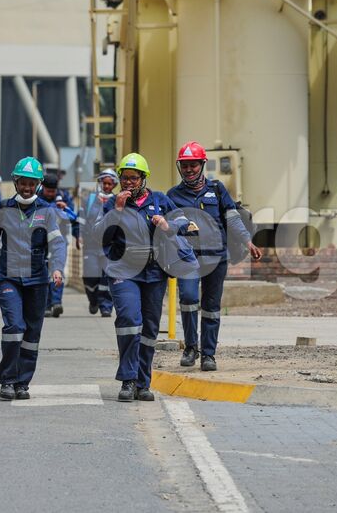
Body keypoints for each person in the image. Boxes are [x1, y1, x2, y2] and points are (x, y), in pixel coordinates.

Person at [97, 153, 193, 402]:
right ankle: (127, 381)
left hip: (153, 273)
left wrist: (166, 224)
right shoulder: (112, 204)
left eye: (133, 178)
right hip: (123, 272)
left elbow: (185, 223)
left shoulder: (160, 200)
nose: (128, 183)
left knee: (149, 329)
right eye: (124, 178)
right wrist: (116, 211)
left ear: (143, 179)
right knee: (129, 320)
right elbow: (98, 236)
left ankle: (143, 382)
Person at [0, 157, 66, 401]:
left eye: (31, 184)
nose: (26, 188)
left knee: (32, 334)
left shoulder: (47, 210)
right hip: (8, 278)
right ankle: (8, 380)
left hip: (37, 280)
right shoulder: (3, 209)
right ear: (15, 182)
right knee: (14, 327)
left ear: (38, 184)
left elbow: (57, 243)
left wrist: (57, 268)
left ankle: (23, 382)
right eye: (22, 183)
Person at [167, 141, 261, 372]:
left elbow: (233, 219)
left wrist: (247, 241)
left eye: (193, 165)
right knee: (188, 300)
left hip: (216, 258)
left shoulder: (217, 190)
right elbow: (167, 228)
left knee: (211, 306)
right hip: (187, 259)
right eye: (185, 165)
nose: (189, 170)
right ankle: (191, 347)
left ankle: (208, 355)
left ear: (202, 165)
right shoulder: (173, 195)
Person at [37, 172, 79, 318]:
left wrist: (65, 208)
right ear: (42, 187)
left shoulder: (64, 197)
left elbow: (75, 218)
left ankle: (56, 303)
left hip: (59, 241)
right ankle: (46, 305)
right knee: (44, 272)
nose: (50, 194)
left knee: (57, 270)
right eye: (48, 191)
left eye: (52, 191)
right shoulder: (36, 198)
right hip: (40, 242)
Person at [81, 169, 118, 318]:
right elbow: (81, 219)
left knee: (107, 277)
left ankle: (106, 307)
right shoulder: (89, 200)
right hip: (90, 245)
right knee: (90, 276)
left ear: (114, 185)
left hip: (109, 245)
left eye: (110, 183)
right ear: (100, 182)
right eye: (105, 183)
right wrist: (79, 236)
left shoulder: (116, 201)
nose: (107, 186)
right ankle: (93, 299)